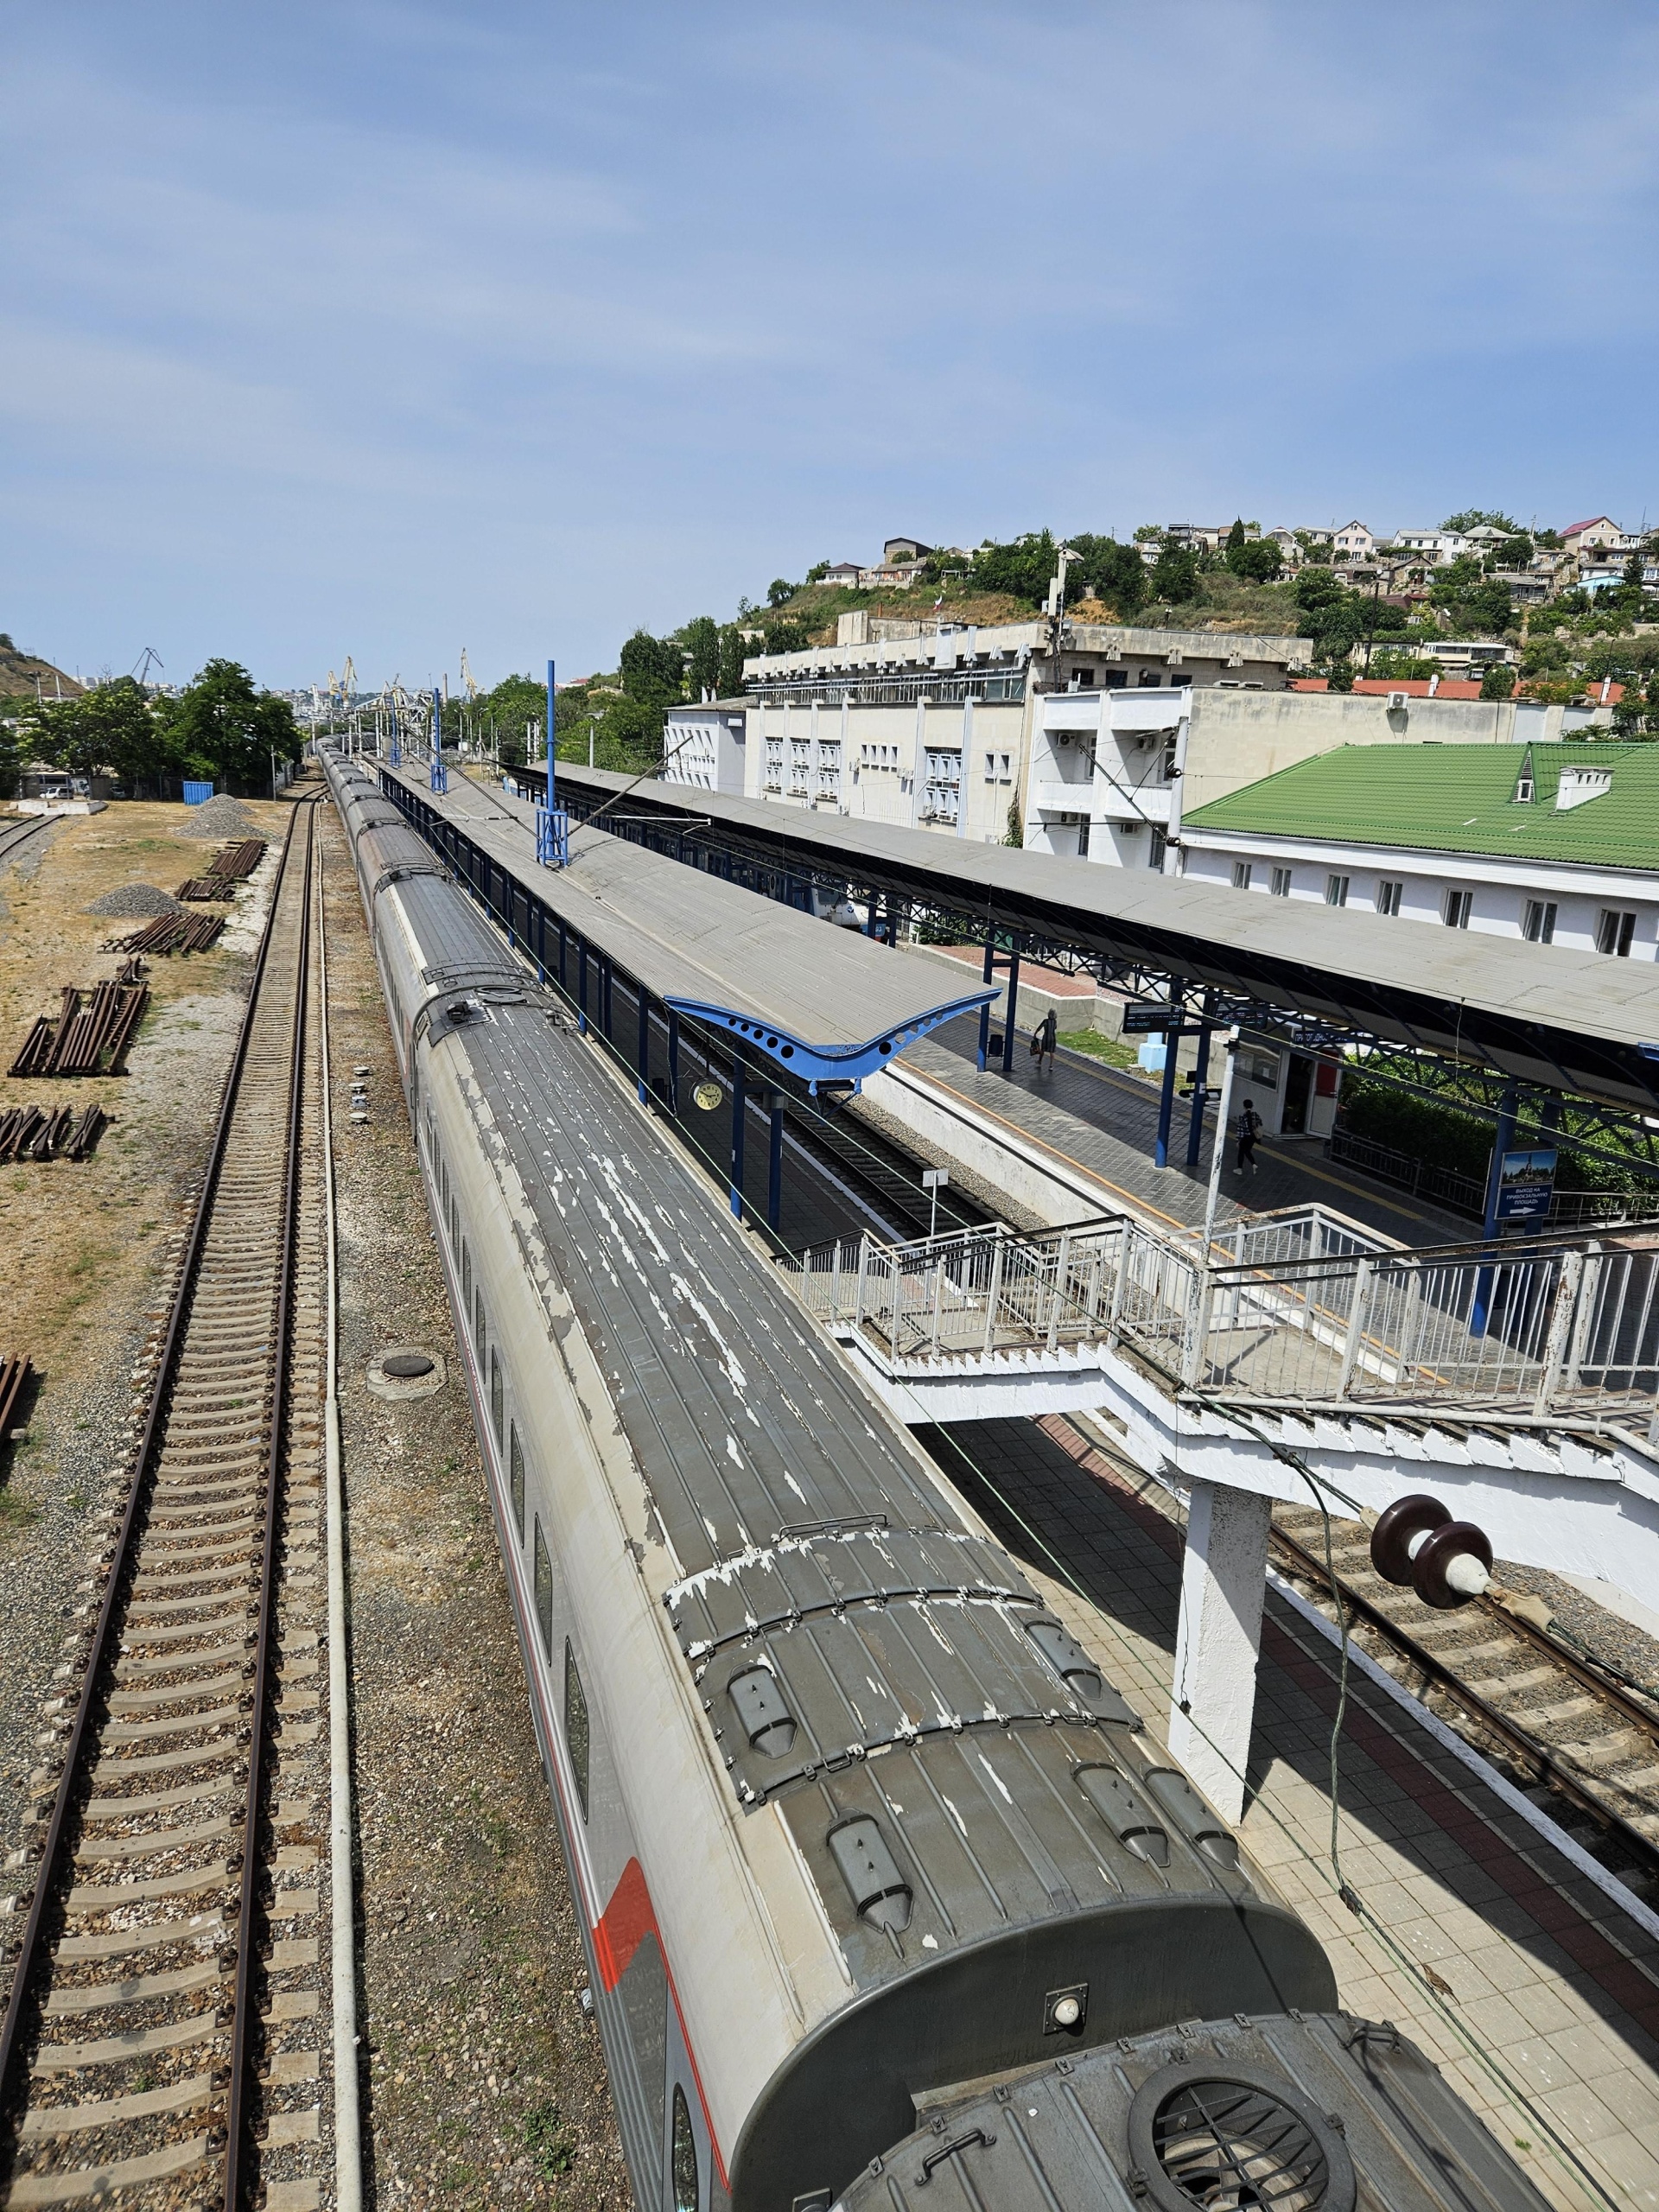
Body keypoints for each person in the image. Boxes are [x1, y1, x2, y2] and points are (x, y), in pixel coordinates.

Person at [1235, 1096, 1263, 1175]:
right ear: (1252, 1106)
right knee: (1247, 1151)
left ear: (1244, 1106)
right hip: (1253, 1137)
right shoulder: (1255, 1115)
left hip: (1245, 1137)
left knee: (1241, 1152)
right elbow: (1260, 1123)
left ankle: (1240, 1169)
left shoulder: (1243, 1117)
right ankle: (1253, 1164)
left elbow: (1240, 1129)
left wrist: (1238, 1140)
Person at [1030, 1007, 1058, 1074]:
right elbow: (1055, 1028)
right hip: (1053, 1038)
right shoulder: (1055, 1021)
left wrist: (1035, 1034)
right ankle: (1051, 1066)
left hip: (1046, 1038)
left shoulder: (1045, 1021)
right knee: (1052, 1052)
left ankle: (1039, 1061)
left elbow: (1039, 1027)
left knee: (1043, 1050)